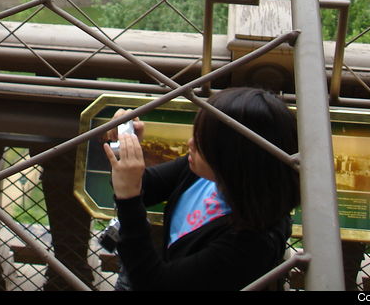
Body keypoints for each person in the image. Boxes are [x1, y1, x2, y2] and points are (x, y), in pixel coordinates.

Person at [103, 87, 300, 291]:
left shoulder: (252, 244)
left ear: (232, 155)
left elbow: (156, 284)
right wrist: (125, 146)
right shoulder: (207, 173)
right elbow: (145, 185)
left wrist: (128, 199)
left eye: (202, 140)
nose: (190, 143)